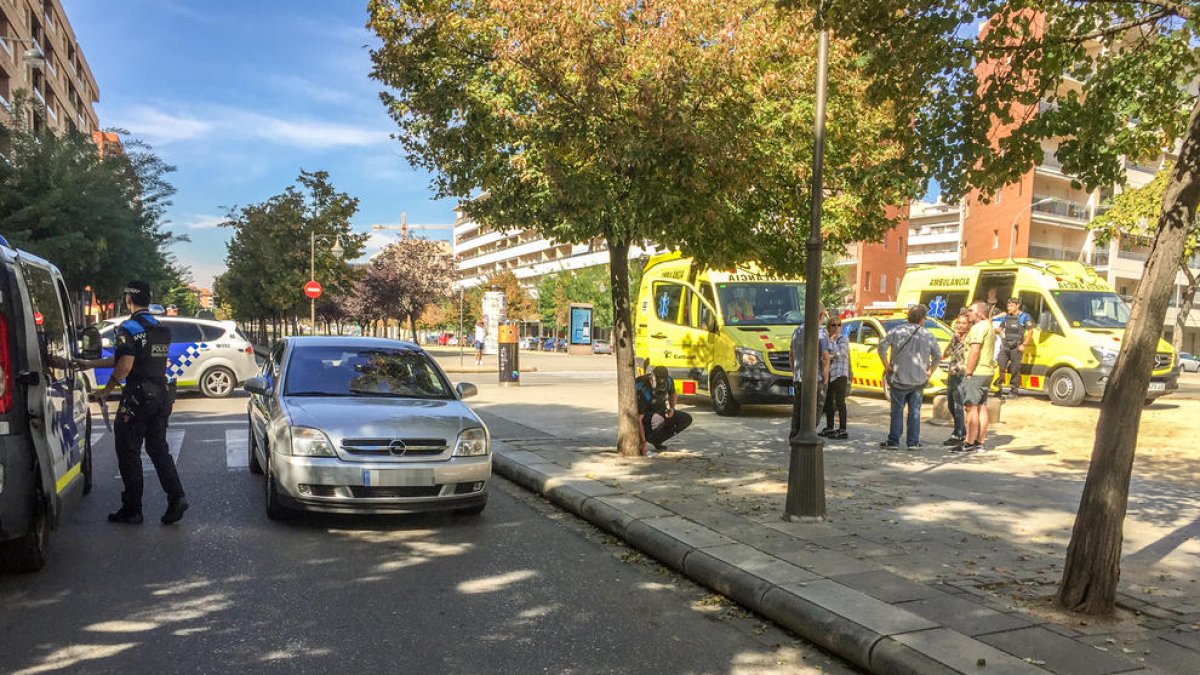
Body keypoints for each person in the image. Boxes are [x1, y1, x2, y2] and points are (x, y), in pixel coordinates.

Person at [75, 281, 187, 524]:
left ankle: (132, 508)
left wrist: (106, 391)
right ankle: (176, 496)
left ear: (128, 300)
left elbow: (126, 365)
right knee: (158, 450)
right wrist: (91, 364)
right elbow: (131, 359)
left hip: (137, 397)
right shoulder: (160, 328)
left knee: (128, 450)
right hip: (161, 394)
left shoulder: (128, 328)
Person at [878, 304, 943, 449]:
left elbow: (881, 347)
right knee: (914, 412)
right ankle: (913, 442)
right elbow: (938, 356)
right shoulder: (928, 335)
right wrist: (930, 371)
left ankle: (894, 441)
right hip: (918, 380)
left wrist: (887, 366)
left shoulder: (896, 331)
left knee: (897, 411)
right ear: (922, 319)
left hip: (899, 378)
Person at [960, 301, 998, 453]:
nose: (968, 313)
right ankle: (980, 442)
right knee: (982, 407)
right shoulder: (988, 326)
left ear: (980, 313)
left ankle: (969, 442)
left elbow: (975, 350)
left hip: (977, 372)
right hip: (987, 372)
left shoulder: (978, 327)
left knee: (970, 407)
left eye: (971, 310)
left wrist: (968, 372)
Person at [789, 307, 831, 441]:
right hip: (815, 378)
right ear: (820, 316)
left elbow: (791, 354)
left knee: (798, 408)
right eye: (824, 315)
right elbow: (825, 356)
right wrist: (826, 375)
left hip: (798, 377)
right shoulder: (821, 333)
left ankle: (794, 435)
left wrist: (794, 372)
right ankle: (808, 435)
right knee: (816, 408)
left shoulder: (797, 331)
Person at [635, 366, 693, 456]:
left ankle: (657, 440)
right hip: (645, 416)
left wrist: (672, 408)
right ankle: (646, 438)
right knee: (658, 420)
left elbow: (672, 394)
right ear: (652, 378)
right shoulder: (643, 387)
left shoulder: (669, 381)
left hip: (660, 411)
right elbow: (639, 419)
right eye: (658, 385)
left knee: (686, 419)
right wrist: (643, 442)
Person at [942, 311, 971, 447]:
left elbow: (969, 356)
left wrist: (962, 340)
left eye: (963, 323)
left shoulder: (970, 338)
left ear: (969, 325)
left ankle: (959, 434)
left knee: (959, 405)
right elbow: (945, 354)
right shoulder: (955, 338)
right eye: (958, 323)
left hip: (962, 375)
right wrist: (953, 340)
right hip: (952, 374)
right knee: (951, 405)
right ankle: (959, 430)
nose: (960, 326)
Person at [995, 298, 1033, 399]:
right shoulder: (1006, 317)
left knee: (1014, 369)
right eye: (1008, 306)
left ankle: (1014, 392)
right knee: (1000, 366)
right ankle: (998, 389)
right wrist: (991, 327)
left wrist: (1024, 345)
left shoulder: (1024, 317)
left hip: (1016, 347)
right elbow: (999, 329)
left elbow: (1030, 332)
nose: (1009, 308)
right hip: (1005, 346)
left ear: (1017, 306)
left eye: (1011, 306)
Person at [821, 316, 851, 439]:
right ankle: (829, 427)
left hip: (840, 373)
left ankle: (843, 429)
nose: (836, 328)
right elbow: (823, 356)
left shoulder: (843, 339)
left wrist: (832, 343)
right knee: (828, 402)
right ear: (828, 327)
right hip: (829, 374)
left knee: (840, 402)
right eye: (833, 325)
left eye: (839, 325)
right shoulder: (825, 340)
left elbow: (840, 354)